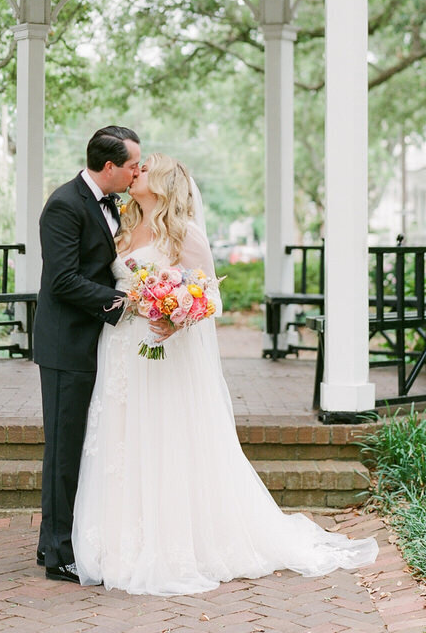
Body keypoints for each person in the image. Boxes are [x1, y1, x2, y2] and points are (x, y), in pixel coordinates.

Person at [72, 152, 378, 596]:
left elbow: (211, 297)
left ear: (162, 183)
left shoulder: (184, 234)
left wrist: (177, 317)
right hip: (120, 349)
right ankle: (119, 544)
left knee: (163, 437)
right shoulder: (121, 224)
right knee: (120, 439)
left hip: (162, 348)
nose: (135, 172)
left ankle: (173, 543)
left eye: (143, 169)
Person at [33, 125, 141, 583]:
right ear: (110, 166)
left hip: (95, 344)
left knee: (79, 447)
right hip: (66, 345)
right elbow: (62, 280)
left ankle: (51, 543)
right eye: (133, 164)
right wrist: (124, 304)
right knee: (63, 450)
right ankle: (59, 555)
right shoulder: (63, 204)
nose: (139, 170)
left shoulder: (113, 203)